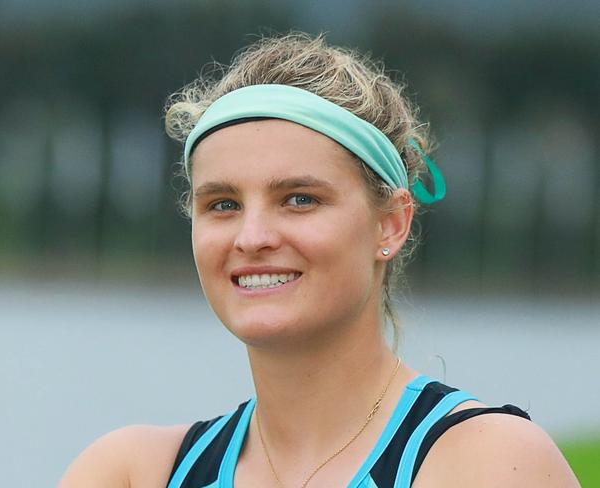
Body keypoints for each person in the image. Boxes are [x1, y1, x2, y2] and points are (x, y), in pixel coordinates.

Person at [58, 32, 580, 488]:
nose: (252, 236)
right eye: (223, 204)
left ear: (391, 223)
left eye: (300, 199)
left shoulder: (488, 463)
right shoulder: (130, 473)